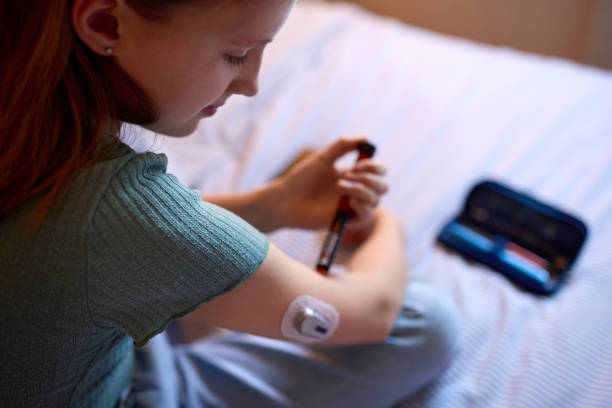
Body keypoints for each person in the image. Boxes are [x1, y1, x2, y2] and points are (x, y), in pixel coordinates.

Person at [0, 0, 460, 407]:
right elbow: (369, 314)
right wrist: (386, 227)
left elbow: (116, 253)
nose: (253, 83)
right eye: (236, 55)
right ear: (105, 23)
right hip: (127, 384)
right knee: (426, 321)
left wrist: (274, 204)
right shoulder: (118, 211)